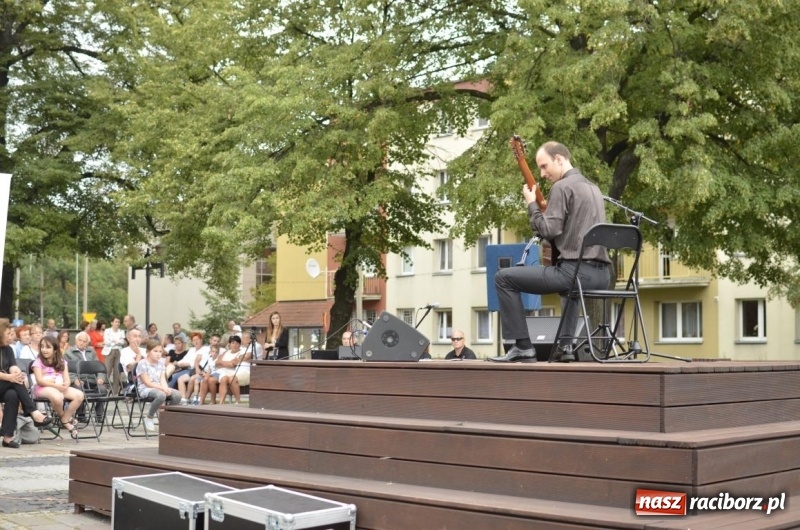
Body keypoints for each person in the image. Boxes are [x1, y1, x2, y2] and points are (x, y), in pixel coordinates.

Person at [490, 141, 610, 363]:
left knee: (503, 278)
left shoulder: (562, 187)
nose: (542, 174)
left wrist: (532, 205)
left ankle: (523, 347)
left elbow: (548, 231)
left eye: (544, 166)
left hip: (575, 275)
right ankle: (565, 346)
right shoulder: (594, 188)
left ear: (559, 159)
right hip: (602, 277)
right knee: (569, 289)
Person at [0, 320, 52, 448]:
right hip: (5, 382)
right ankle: (33, 412)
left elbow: (12, 366)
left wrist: (17, 373)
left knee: (12, 395)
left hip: (5, 385)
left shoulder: (8, 349)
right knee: (16, 383)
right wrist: (10, 377)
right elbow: (8, 376)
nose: (11, 336)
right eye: (8, 333)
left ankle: (7, 438)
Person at [31, 336, 83, 440]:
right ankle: (63, 418)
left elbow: (67, 379)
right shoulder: (38, 362)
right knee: (57, 397)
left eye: (48, 347)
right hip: (43, 388)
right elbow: (39, 380)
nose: (44, 350)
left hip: (59, 386)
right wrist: (57, 386)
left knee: (79, 395)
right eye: (42, 347)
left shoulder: (62, 361)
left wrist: (66, 385)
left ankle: (65, 419)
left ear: (55, 349)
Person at [135, 340, 181, 431]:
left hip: (159, 387)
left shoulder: (160, 364)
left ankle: (167, 418)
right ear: (148, 352)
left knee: (177, 395)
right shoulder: (142, 363)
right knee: (161, 395)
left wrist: (166, 388)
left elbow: (162, 379)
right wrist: (162, 389)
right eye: (155, 351)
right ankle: (149, 417)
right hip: (146, 388)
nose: (158, 354)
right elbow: (147, 383)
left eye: (160, 351)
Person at [102, 316, 127, 395]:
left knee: (117, 371)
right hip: (109, 351)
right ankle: (104, 389)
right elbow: (107, 342)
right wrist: (117, 341)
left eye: (118, 322)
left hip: (119, 351)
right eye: (116, 322)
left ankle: (114, 392)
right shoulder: (107, 331)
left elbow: (123, 342)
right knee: (107, 370)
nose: (117, 323)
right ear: (112, 322)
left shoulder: (121, 331)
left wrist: (115, 341)